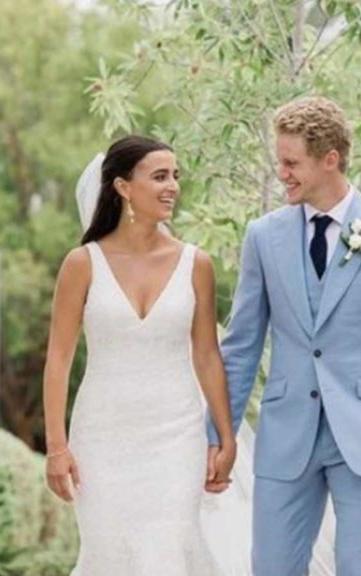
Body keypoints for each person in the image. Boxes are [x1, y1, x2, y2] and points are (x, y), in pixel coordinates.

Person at [207, 96, 361, 575]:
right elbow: (242, 346)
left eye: (291, 163)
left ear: (330, 158)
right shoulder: (263, 237)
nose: (282, 173)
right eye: (280, 162)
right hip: (285, 433)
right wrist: (222, 436)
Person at [42, 135, 236, 575]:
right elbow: (58, 358)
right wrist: (57, 447)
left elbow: (206, 355)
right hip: (101, 437)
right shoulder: (82, 263)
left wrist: (225, 436)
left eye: (176, 176)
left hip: (177, 436)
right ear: (123, 186)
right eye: (160, 176)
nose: (172, 187)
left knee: (168, 550)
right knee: (108, 555)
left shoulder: (196, 264)